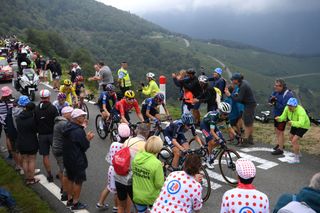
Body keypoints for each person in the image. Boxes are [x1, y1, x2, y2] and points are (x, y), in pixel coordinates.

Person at [62, 109, 94, 210]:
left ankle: (69, 199)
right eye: (82, 116)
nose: (84, 118)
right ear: (77, 118)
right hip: (77, 159)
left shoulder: (67, 127)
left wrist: (82, 127)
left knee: (70, 178)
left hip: (67, 158)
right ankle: (75, 203)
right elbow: (84, 146)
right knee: (78, 181)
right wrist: (88, 139)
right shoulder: (78, 131)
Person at [114, 123, 150, 213]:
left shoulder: (128, 141)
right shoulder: (146, 146)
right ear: (147, 134)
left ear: (136, 131)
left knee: (121, 206)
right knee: (139, 207)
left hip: (119, 175)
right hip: (132, 179)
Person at [96, 123, 131, 211]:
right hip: (122, 171)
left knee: (108, 187)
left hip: (112, 169)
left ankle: (100, 203)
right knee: (118, 191)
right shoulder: (128, 147)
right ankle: (116, 206)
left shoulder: (114, 144)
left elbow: (110, 158)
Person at [200, 102, 240, 169]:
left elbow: (229, 128)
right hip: (204, 125)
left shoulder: (226, 116)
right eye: (225, 114)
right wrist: (218, 139)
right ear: (220, 111)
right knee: (211, 142)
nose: (226, 116)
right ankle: (208, 159)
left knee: (222, 141)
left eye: (227, 114)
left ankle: (212, 150)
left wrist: (236, 135)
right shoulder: (214, 116)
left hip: (212, 125)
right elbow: (212, 131)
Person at [132, 136, 164, 213]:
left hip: (137, 195)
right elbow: (159, 184)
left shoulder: (137, 157)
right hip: (151, 197)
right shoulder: (157, 164)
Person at [225, 73, 257, 146]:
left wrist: (230, 95)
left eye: (233, 80)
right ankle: (250, 139)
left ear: (236, 80)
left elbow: (238, 99)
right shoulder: (242, 83)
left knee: (247, 123)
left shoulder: (243, 86)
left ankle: (246, 141)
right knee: (249, 122)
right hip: (249, 104)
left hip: (249, 105)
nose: (232, 81)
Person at [275, 98, 310, 164]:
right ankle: (298, 153)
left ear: (295, 106)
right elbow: (283, 117)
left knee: (294, 140)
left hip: (303, 126)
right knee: (291, 137)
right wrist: (279, 119)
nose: (289, 107)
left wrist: (292, 123)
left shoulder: (301, 111)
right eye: (288, 105)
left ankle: (296, 158)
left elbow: (301, 123)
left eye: (291, 106)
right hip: (294, 124)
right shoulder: (287, 108)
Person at [34, 89, 59, 182]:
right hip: (53, 134)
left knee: (45, 155)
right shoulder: (52, 108)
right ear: (48, 97)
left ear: (41, 98)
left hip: (41, 135)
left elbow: (35, 121)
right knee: (58, 154)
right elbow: (57, 120)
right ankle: (61, 172)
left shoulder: (36, 108)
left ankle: (49, 175)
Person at [52, 106, 74, 201]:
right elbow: (71, 135)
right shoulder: (63, 123)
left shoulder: (60, 121)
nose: (72, 114)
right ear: (65, 114)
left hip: (57, 148)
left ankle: (63, 187)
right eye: (71, 113)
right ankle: (65, 193)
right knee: (66, 172)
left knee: (61, 170)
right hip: (61, 150)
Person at [16, 101, 39, 185]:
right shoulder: (33, 119)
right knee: (32, 159)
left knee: (25, 160)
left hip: (21, 141)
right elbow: (36, 129)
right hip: (31, 141)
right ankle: (31, 178)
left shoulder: (18, 117)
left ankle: (26, 178)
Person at [269, 79, 294, 155]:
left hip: (283, 116)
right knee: (277, 130)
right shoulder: (276, 92)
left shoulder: (288, 94)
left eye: (276, 86)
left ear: (282, 86)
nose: (275, 87)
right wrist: (271, 101)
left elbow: (284, 107)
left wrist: (275, 102)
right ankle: (280, 144)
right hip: (276, 114)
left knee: (280, 131)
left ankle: (280, 149)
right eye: (275, 85)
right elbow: (271, 98)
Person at [0, 86, 17, 161]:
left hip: (3, 121)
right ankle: (15, 151)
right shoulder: (12, 101)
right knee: (12, 138)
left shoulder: (0, 102)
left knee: (7, 137)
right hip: (11, 121)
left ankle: (10, 154)